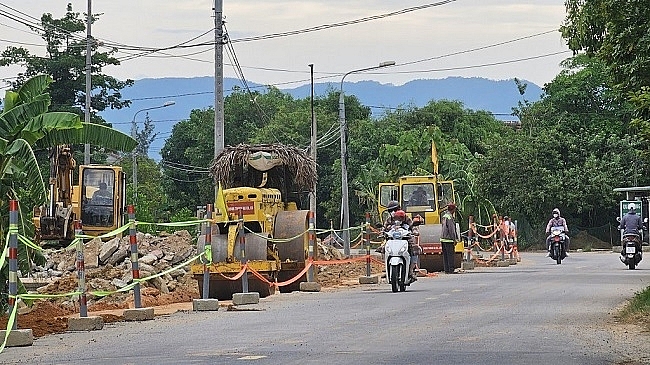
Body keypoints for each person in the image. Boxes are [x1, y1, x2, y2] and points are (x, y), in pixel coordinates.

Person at [440, 203, 458, 274]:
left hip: (443, 238)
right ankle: (451, 269)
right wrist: (454, 239)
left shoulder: (444, 216)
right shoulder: (450, 217)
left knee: (445, 256)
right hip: (448, 239)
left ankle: (446, 270)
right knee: (450, 255)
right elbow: (451, 229)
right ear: (453, 210)